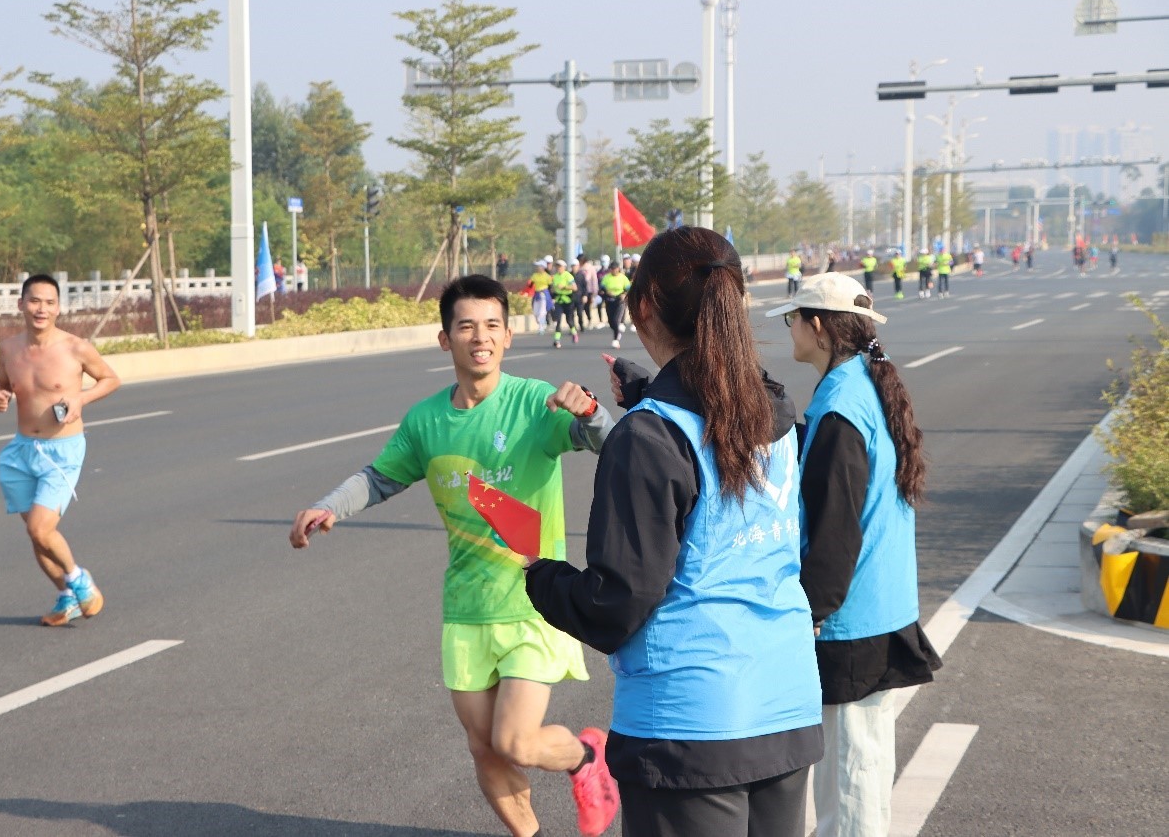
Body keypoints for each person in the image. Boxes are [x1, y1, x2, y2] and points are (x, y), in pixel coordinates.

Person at [289, 275, 620, 837]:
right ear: (446, 339)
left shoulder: (533, 402)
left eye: (492, 325)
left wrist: (590, 411)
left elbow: (607, 444)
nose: (480, 337)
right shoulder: (426, 420)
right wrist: (328, 507)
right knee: (484, 748)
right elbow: (380, 477)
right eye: (466, 326)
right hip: (467, 607)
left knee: (515, 740)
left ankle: (588, 757)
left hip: (534, 601)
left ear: (508, 336)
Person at [527, 226, 823, 837]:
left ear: (643, 307)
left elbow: (617, 602)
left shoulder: (649, 437)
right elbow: (713, 426)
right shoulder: (776, 412)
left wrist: (540, 576)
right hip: (787, 704)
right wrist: (648, 393)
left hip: (688, 724)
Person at [765, 272, 941, 837]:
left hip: (851, 619)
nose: (790, 329)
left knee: (849, 784)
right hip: (878, 607)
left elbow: (834, 527)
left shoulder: (841, 405)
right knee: (861, 769)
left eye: (793, 318)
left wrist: (811, 611)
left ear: (817, 326)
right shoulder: (864, 382)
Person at [0, 273, 121, 626]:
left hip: (61, 450)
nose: (41, 309)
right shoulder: (8, 349)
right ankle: (67, 596)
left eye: (49, 302)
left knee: (40, 529)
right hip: (21, 451)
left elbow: (111, 379)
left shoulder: (76, 348)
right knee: (38, 536)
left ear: (59, 308)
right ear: (21, 304)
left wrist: (81, 398)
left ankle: (80, 580)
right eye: (34, 301)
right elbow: (2, 384)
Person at [599, 260, 629, 349]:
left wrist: (624, 294)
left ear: (618, 269)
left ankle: (616, 340)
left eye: (615, 268)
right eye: (611, 269)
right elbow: (601, 288)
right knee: (611, 322)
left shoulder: (623, 278)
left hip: (619, 301)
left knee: (616, 320)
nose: (613, 270)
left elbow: (629, 289)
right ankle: (617, 331)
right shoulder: (606, 277)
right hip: (609, 301)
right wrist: (606, 292)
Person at [549, 259, 579, 349]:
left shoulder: (568, 276)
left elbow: (575, 288)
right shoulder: (555, 277)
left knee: (569, 320)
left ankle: (574, 333)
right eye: (557, 266)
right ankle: (557, 340)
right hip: (559, 300)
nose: (558, 268)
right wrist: (553, 292)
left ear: (564, 267)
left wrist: (564, 287)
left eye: (560, 266)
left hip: (568, 300)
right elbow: (552, 288)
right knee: (557, 320)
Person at [526, 260, 552, 334]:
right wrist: (529, 283)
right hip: (537, 294)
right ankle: (542, 323)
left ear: (543, 267)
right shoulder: (535, 275)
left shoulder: (547, 276)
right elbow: (531, 284)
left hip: (544, 294)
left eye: (539, 266)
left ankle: (541, 327)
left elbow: (550, 287)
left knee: (542, 312)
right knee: (536, 311)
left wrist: (551, 297)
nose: (537, 268)